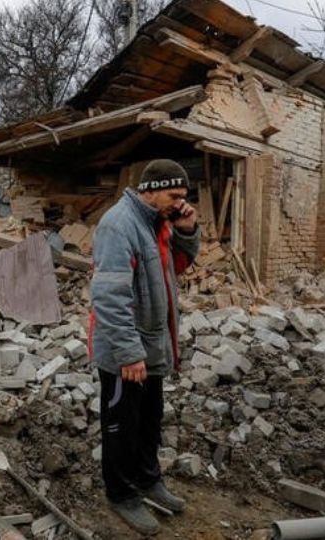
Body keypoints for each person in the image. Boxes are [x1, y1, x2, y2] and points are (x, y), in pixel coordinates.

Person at [89, 159, 201, 534]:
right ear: (151, 190)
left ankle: (148, 480)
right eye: (175, 196)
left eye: (184, 197)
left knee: (150, 419)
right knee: (121, 424)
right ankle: (121, 494)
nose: (180, 203)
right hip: (126, 351)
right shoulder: (119, 225)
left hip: (152, 345)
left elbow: (175, 270)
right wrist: (129, 353)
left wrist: (187, 231)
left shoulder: (159, 225)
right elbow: (109, 296)